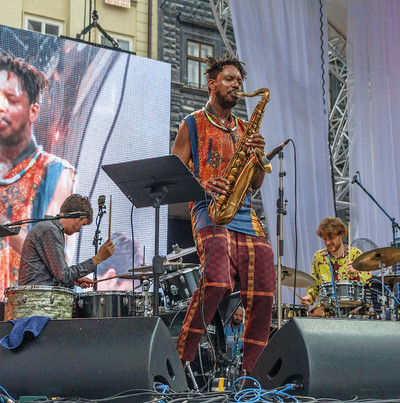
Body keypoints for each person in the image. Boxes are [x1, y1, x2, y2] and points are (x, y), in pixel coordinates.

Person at [171, 54, 276, 376]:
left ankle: (251, 376)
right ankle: (178, 362)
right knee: (217, 282)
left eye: (239, 81)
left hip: (245, 214)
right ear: (212, 84)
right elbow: (174, 175)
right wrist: (202, 183)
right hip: (210, 210)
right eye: (230, 79)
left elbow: (255, 184)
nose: (236, 85)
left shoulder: (245, 128)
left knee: (264, 291)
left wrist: (258, 156)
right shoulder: (191, 124)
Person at [0, 51, 76, 298]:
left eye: (11, 99)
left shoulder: (57, 172)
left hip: (27, 308)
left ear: (33, 111)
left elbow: (54, 260)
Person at [18, 194, 114, 288]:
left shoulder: (51, 229)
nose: (79, 230)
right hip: (36, 295)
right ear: (76, 215)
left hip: (37, 293)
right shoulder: (50, 230)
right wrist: (98, 258)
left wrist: (73, 280)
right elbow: (63, 276)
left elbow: (57, 274)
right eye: (81, 224)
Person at [301, 217, 371, 317]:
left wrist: (356, 273)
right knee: (314, 316)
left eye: (331, 238)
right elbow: (314, 284)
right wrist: (309, 297)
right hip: (327, 306)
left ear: (341, 234)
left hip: (353, 306)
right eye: (325, 239)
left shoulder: (355, 254)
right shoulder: (318, 257)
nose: (327, 242)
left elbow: (368, 281)